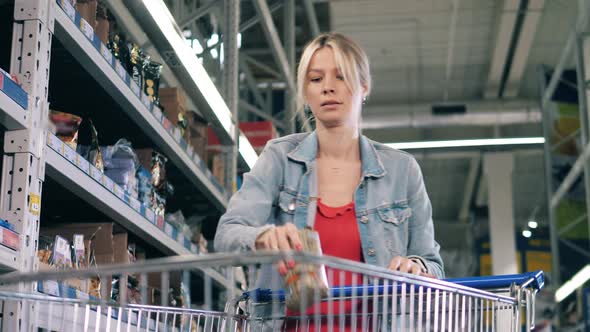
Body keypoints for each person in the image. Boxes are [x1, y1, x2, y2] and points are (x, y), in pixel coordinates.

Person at [214, 32, 444, 329]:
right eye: (316, 79)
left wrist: (418, 267)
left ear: (364, 86)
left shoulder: (402, 170)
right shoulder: (280, 158)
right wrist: (261, 237)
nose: (328, 88)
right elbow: (226, 236)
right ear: (306, 94)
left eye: (341, 76)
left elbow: (434, 264)